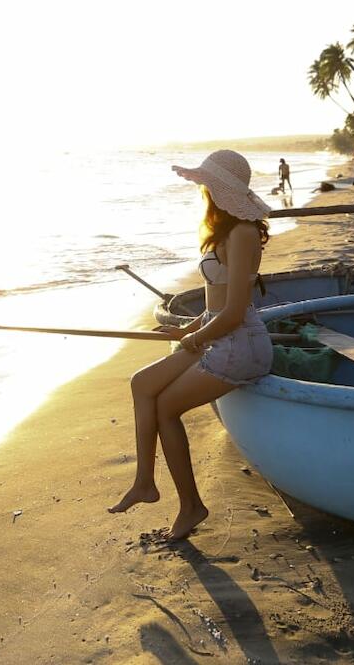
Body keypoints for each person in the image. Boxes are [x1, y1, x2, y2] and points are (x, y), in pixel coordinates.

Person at [108, 149, 273, 541]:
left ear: (221, 189)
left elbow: (235, 312)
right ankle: (145, 481)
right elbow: (216, 308)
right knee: (142, 384)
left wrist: (195, 339)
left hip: (241, 345)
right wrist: (188, 329)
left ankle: (191, 507)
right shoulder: (224, 231)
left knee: (165, 408)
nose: (202, 191)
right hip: (220, 334)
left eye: (206, 185)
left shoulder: (244, 233)